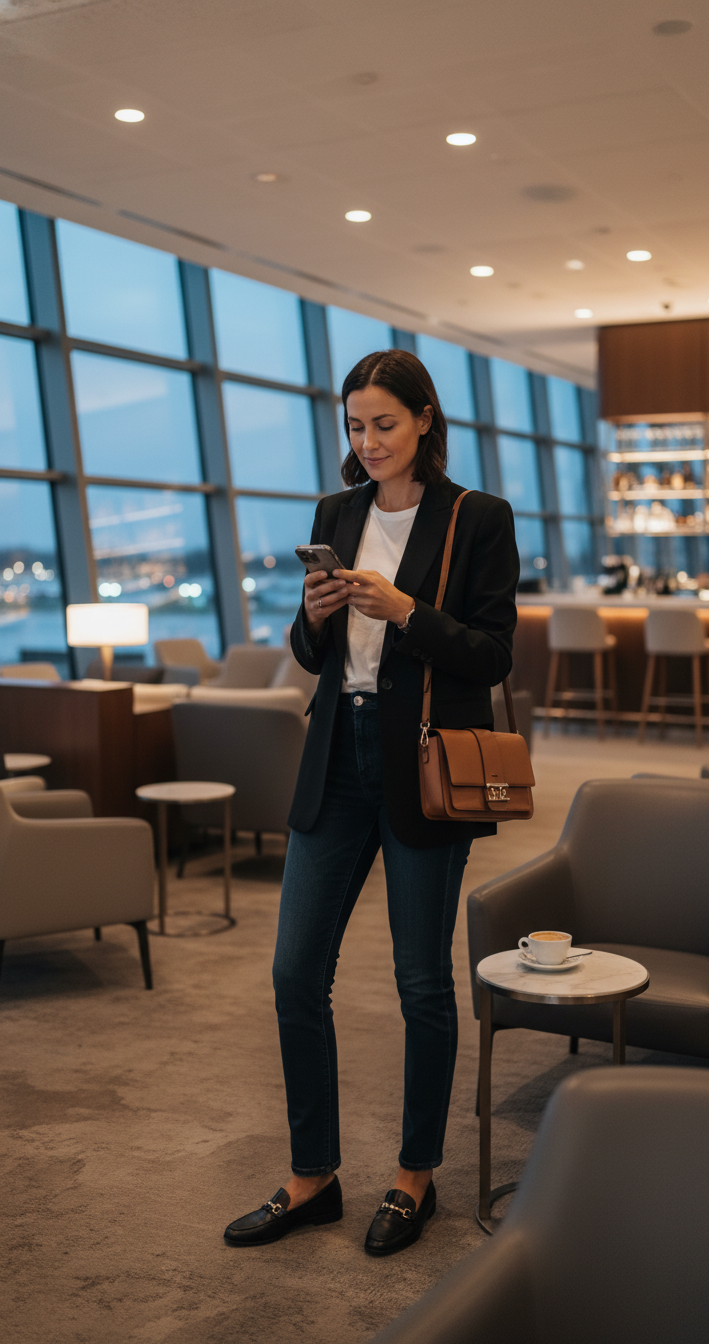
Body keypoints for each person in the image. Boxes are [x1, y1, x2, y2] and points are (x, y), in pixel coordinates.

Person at [224, 349, 519, 1256]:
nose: (369, 441)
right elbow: (313, 657)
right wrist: (315, 616)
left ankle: (414, 1177)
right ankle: (313, 1176)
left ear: (425, 419)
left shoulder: (478, 517)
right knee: (292, 974)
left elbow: (492, 654)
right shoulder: (336, 512)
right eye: (356, 425)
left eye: (385, 423)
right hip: (336, 756)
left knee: (421, 983)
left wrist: (401, 611)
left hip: (422, 762)